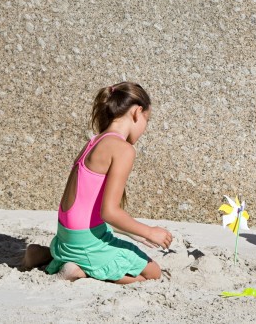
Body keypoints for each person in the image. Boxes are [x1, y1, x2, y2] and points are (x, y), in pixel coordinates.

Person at [22, 82, 172, 283]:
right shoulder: (122, 149)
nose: (145, 128)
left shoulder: (94, 141)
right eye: (147, 120)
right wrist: (149, 231)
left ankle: (44, 254)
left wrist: (134, 234)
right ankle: (79, 271)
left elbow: (87, 210)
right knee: (152, 273)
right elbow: (109, 212)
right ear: (137, 112)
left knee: (108, 241)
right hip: (86, 242)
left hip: (66, 238)